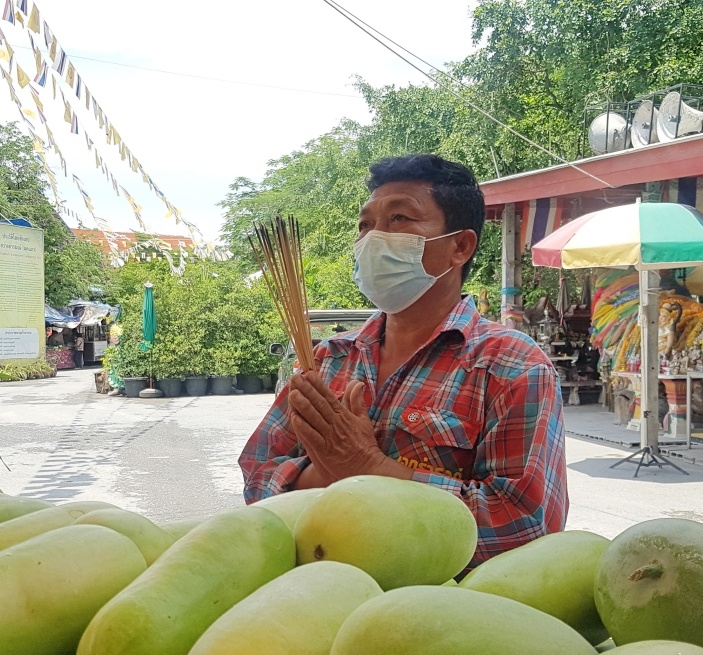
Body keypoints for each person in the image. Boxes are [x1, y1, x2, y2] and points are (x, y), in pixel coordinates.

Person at [239, 154, 568, 570]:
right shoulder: (326, 358)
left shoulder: (512, 366)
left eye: (399, 219)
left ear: (460, 246)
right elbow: (256, 473)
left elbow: (525, 524)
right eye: (364, 225)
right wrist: (324, 474)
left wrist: (369, 468)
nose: (372, 238)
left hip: (436, 610)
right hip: (315, 590)